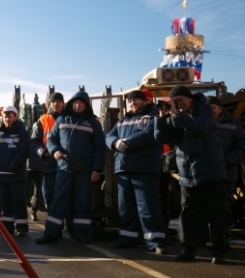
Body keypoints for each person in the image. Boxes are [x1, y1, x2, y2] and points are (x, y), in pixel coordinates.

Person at [154, 85, 228, 264]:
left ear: (190, 99)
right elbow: (162, 138)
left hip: (211, 171)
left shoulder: (205, 110)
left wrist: (176, 115)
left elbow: (198, 129)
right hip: (187, 173)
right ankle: (187, 251)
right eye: (175, 102)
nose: (179, 104)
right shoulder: (175, 115)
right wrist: (162, 119)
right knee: (187, 214)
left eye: (181, 100)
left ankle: (218, 253)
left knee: (217, 213)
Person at [36, 91, 105, 245]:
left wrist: (96, 169)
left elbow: (100, 148)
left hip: (84, 170)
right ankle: (51, 233)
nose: (78, 105)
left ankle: (81, 234)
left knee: (82, 203)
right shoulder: (61, 119)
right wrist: (54, 151)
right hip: (64, 168)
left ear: (86, 105)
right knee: (58, 202)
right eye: (75, 102)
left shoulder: (93, 123)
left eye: (81, 103)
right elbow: (52, 139)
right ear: (71, 104)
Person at [105, 90, 166, 254]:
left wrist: (126, 142)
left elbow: (149, 134)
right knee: (125, 207)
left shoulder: (154, 115)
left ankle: (156, 242)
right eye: (130, 101)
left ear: (145, 101)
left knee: (148, 207)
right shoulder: (122, 121)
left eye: (136, 100)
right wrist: (115, 142)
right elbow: (109, 136)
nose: (132, 103)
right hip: (124, 169)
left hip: (144, 168)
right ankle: (127, 239)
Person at [202, 96, 245, 243]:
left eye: (213, 108)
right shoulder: (200, 124)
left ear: (221, 109)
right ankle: (202, 239)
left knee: (222, 208)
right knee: (202, 208)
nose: (210, 111)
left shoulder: (233, 125)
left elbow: (243, 147)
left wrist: (226, 161)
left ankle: (221, 239)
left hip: (225, 174)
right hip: (202, 174)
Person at [0, 105, 30, 236]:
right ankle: (7, 227)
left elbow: (24, 151)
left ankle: (22, 227)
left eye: (10, 116)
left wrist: (13, 165)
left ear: (15, 117)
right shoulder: (1, 134)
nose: (7, 119)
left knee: (18, 201)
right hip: (3, 174)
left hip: (16, 175)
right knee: (5, 202)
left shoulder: (22, 133)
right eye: (5, 116)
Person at [30, 92, 65, 213]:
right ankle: (53, 222)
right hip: (49, 163)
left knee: (65, 195)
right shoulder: (43, 120)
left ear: (63, 103)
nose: (56, 104)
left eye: (58, 101)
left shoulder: (68, 119)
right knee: (49, 194)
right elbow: (34, 141)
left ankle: (64, 223)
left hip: (66, 164)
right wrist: (43, 152)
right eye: (53, 102)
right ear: (50, 104)